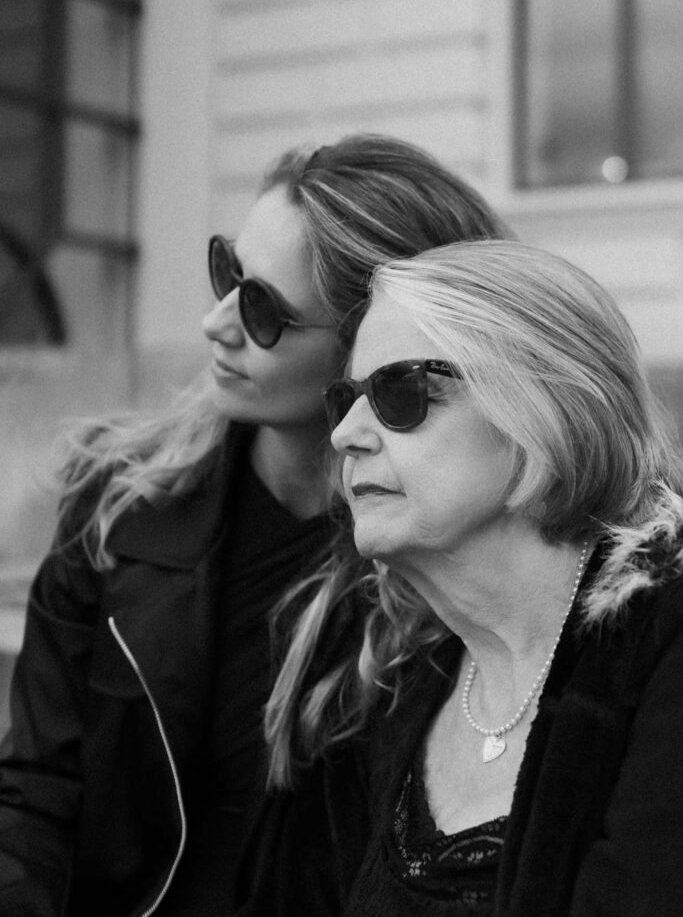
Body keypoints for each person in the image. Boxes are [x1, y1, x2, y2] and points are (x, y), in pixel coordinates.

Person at [0, 134, 511, 917]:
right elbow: (34, 792)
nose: (215, 322)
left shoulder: (448, 573)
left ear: (376, 349)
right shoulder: (116, 503)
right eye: (225, 272)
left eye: (264, 309)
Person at [255, 240, 683, 916]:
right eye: (346, 399)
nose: (345, 435)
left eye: (398, 393)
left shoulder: (660, 649)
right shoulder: (381, 687)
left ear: (536, 411)